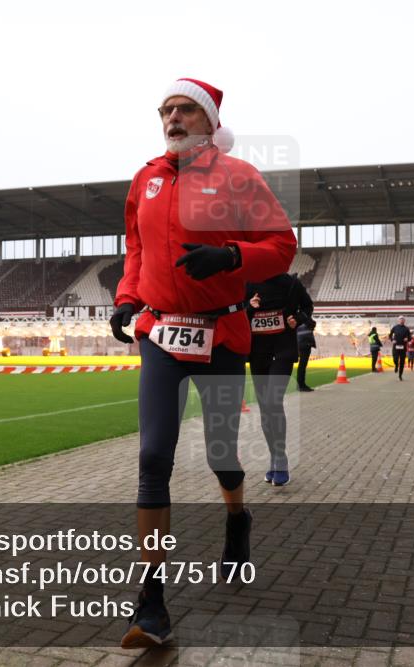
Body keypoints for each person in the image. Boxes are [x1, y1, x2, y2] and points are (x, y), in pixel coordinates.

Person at [109, 77, 296, 648]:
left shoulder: (238, 177)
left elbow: (283, 244)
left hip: (221, 334)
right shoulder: (146, 179)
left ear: (210, 120)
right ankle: (152, 604)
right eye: (165, 110)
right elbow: (136, 250)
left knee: (220, 452)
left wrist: (234, 254)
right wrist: (126, 298)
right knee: (152, 457)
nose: (172, 117)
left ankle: (237, 519)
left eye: (185, 109)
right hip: (160, 334)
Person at [246, 272, 316, 487]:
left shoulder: (291, 283)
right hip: (258, 354)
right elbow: (235, 313)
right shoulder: (247, 283)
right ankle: (274, 455)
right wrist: (249, 307)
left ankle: (281, 459)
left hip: (283, 350)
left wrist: (298, 319)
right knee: (265, 407)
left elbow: (307, 307)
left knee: (273, 402)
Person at [388, 315, 412, 381]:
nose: (401, 320)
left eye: (403, 319)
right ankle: (396, 365)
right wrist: (392, 340)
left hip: (403, 347)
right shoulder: (395, 327)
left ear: (404, 321)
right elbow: (390, 335)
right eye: (400, 319)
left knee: (402, 362)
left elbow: (410, 337)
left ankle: (400, 375)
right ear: (398, 320)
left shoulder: (406, 328)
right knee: (395, 359)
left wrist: (407, 339)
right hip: (396, 346)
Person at [296, 320, 316, 391]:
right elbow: (312, 324)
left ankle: (300, 384)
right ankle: (301, 385)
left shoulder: (298, 318)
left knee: (302, 364)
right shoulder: (304, 317)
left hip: (301, 342)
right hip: (304, 342)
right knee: (303, 364)